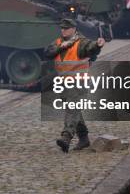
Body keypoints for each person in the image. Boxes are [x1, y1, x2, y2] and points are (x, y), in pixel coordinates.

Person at [44, 18, 105, 153]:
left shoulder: (81, 42)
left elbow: (90, 47)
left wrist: (98, 45)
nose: (63, 30)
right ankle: (84, 138)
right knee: (74, 111)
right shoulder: (59, 42)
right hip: (64, 83)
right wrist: (61, 47)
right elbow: (47, 52)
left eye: (66, 28)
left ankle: (66, 137)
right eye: (62, 28)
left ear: (74, 29)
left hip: (79, 83)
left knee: (72, 109)